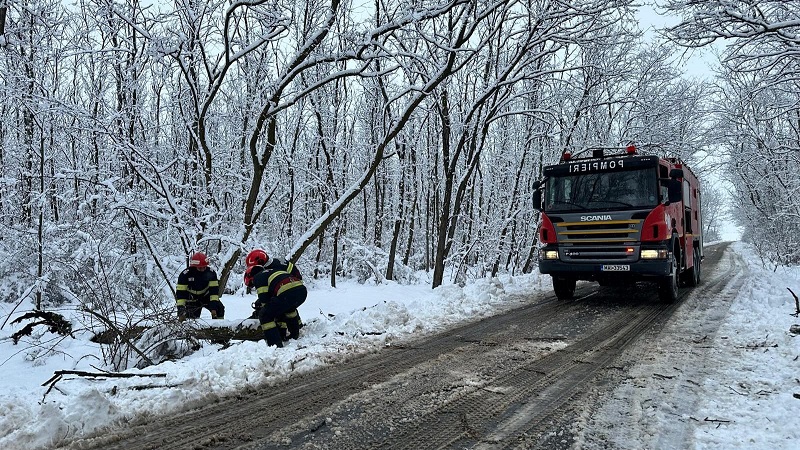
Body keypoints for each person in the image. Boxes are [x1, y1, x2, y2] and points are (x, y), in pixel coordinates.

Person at [244, 254, 306, 347]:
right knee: (289, 309)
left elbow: (265, 301)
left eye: (252, 284)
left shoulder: (258, 277)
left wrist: (260, 310)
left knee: (265, 315)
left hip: (286, 293)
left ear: (251, 277)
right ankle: (294, 335)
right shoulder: (273, 270)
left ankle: (274, 344)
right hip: (301, 290)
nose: (254, 286)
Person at [176, 252, 225, 321]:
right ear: (194, 266)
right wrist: (181, 310)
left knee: (219, 308)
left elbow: (214, 292)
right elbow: (180, 294)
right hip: (192, 299)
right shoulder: (185, 275)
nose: (203, 270)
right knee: (192, 320)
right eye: (200, 268)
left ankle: (219, 325)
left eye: (204, 267)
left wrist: (214, 308)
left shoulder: (211, 273)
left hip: (206, 297)